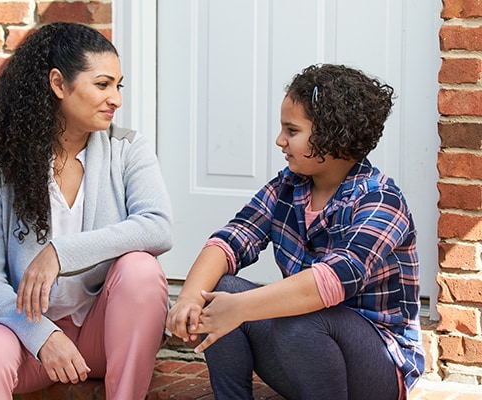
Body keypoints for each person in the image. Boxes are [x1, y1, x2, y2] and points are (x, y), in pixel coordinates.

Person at [166, 64, 424, 400]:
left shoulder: (380, 200)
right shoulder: (287, 187)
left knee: (299, 320)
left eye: (292, 130)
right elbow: (232, 238)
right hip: (305, 353)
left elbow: (334, 279)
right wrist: (188, 297)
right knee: (216, 290)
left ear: (335, 136)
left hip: (376, 370)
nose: (280, 140)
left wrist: (241, 307)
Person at [0, 22, 173, 400]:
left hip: (101, 336)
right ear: (58, 84)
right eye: (103, 85)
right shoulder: (0, 163)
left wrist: (60, 253)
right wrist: (43, 335)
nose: (116, 99)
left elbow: (157, 227)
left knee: (140, 269)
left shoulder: (127, 149)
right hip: (28, 339)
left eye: (118, 86)